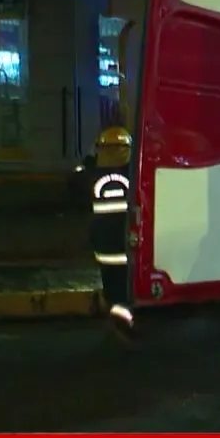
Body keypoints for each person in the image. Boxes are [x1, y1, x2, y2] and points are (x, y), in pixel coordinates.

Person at [88, 127, 133, 322]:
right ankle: (126, 320)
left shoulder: (91, 178)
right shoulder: (134, 176)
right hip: (127, 246)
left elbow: (73, 186)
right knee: (127, 289)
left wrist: (88, 161)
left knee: (112, 289)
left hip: (104, 249)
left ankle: (117, 315)